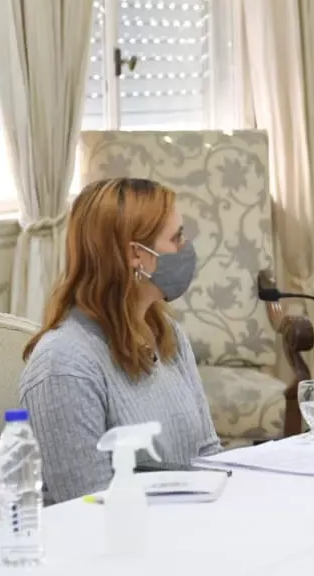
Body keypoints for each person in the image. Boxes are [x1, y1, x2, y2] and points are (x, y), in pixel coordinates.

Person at [19, 178, 220, 504]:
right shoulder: (62, 365)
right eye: (176, 238)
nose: (186, 248)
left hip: (189, 523)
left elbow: (208, 454)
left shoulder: (166, 333)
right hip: (120, 531)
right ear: (136, 255)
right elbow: (87, 504)